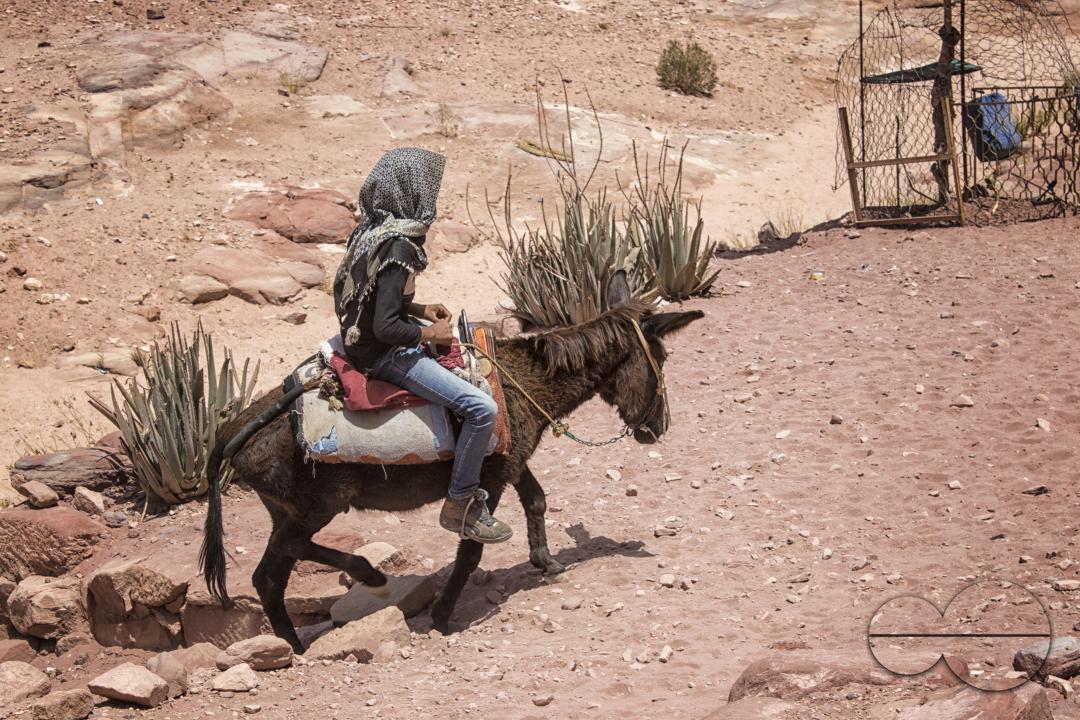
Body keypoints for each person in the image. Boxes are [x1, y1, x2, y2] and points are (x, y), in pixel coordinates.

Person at [332, 147, 512, 544]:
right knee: (482, 409)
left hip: (358, 339)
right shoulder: (398, 248)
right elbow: (386, 326)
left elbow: (374, 296)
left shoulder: (372, 229)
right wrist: (428, 334)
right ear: (412, 192)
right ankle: (461, 503)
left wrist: (419, 306)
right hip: (383, 355)